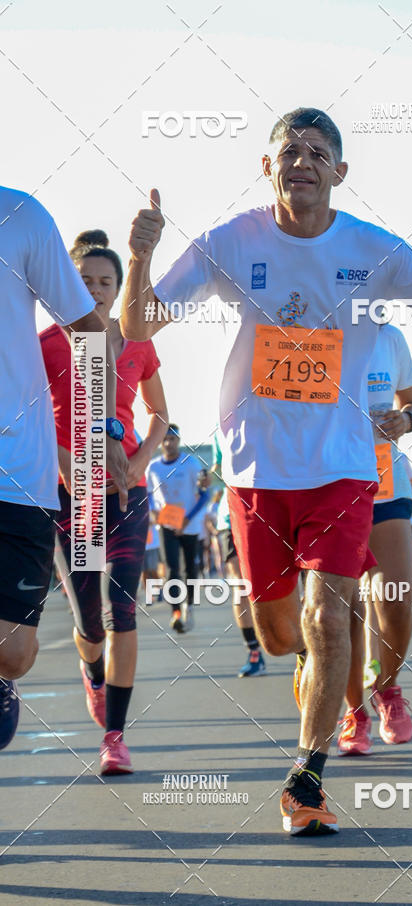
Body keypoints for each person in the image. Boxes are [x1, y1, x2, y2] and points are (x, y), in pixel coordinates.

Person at [120, 106, 412, 835]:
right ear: (268, 168)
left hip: (343, 469)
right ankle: (310, 676)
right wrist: (139, 256)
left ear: (340, 173)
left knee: (328, 618)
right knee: (283, 633)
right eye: (289, 150)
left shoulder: (374, 252)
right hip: (257, 469)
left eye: (318, 152)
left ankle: (307, 777)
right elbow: (138, 324)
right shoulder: (232, 241)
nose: (303, 162)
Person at [0, 188, 128, 751]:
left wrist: (104, 430)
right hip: (50, 471)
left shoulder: (22, 217)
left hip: (20, 471)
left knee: (14, 652)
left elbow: (91, 335)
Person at [40, 229, 168, 774]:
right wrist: (68, 467)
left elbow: (161, 418)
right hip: (74, 498)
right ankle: (93, 672)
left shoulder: (138, 343)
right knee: (90, 624)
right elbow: (30, 425)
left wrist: (138, 466)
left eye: (106, 283)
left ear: (119, 290)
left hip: (127, 493)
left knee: (122, 611)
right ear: (66, 284)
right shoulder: (46, 344)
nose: (95, 291)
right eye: (85, 281)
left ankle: (115, 736)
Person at [337, 323, 412, 756]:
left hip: (385, 478)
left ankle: (387, 690)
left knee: (395, 598)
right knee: (344, 608)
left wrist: (405, 419)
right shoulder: (312, 327)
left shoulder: (390, 338)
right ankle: (355, 712)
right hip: (329, 478)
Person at [210, 431, 267, 677]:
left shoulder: (269, 415)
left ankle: (301, 647)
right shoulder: (220, 428)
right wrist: (211, 473)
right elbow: (218, 465)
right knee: (239, 585)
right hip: (229, 515)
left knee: (276, 584)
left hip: (266, 511)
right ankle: (254, 651)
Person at [147, 426, 207, 633]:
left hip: (189, 525)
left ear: (178, 440)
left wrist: (188, 520)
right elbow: (147, 495)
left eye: (172, 439)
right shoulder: (153, 468)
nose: (168, 443)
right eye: (165, 439)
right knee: (171, 569)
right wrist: (153, 513)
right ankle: (176, 611)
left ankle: (188, 604)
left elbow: (204, 495)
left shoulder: (190, 463)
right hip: (166, 524)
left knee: (189, 568)